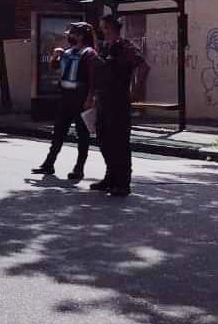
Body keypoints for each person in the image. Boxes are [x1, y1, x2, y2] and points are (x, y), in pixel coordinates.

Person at [32, 22, 97, 180]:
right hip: (66, 95)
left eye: (72, 34)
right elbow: (54, 67)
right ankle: (49, 163)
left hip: (80, 96)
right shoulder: (67, 52)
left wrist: (90, 98)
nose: (69, 36)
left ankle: (79, 168)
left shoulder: (89, 53)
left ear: (81, 36)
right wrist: (55, 56)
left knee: (82, 134)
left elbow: (93, 78)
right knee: (59, 131)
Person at [92, 15, 148, 196]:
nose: (103, 31)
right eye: (102, 28)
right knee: (103, 138)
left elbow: (143, 66)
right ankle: (110, 176)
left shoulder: (125, 47)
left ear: (113, 28)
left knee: (119, 142)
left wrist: (136, 90)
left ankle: (123, 183)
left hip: (118, 100)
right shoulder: (104, 47)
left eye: (105, 28)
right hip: (103, 100)